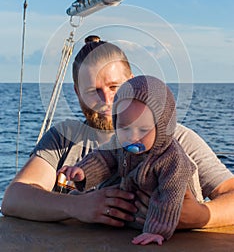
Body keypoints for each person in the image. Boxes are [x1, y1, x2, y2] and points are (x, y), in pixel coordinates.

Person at [2, 36, 234, 229]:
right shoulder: (63, 138)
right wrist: (77, 206)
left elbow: (229, 192)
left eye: (114, 87)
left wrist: (201, 216)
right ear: (77, 92)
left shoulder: (176, 139)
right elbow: (13, 199)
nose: (106, 101)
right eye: (93, 91)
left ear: (133, 84)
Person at [59, 75, 204, 245]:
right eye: (124, 128)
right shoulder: (119, 144)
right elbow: (103, 159)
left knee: (162, 203)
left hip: (162, 216)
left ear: (163, 127)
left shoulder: (171, 159)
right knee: (104, 186)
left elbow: (169, 197)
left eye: (143, 129)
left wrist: (157, 231)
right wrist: (82, 171)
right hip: (130, 203)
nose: (133, 137)